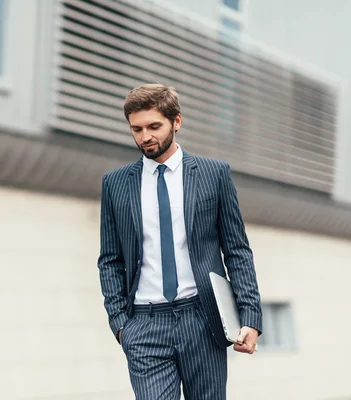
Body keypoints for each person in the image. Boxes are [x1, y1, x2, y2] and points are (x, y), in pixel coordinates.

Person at [97, 83, 262, 399]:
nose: (145, 136)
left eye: (154, 126)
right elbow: (110, 259)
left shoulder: (213, 174)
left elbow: (237, 250)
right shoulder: (115, 184)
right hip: (144, 326)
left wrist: (250, 316)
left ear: (176, 122)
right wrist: (120, 324)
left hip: (202, 321)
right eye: (137, 129)